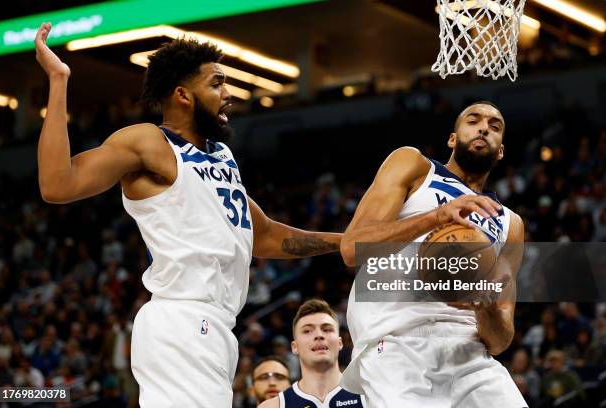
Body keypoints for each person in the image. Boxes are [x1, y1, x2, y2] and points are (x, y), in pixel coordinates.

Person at [34, 23, 342, 407]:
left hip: (214, 326)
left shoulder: (221, 156)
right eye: (216, 84)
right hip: (182, 320)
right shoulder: (151, 142)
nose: (228, 94)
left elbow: (262, 235)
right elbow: (57, 184)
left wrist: (347, 243)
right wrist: (59, 80)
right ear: (182, 94)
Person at [339, 101, 527, 407]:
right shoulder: (414, 166)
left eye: (495, 126)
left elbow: (501, 340)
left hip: (469, 352)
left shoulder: (511, 224)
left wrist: (487, 307)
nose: (483, 128)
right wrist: (436, 217)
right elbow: (352, 248)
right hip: (397, 341)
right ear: (452, 139)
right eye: (473, 120)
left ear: (501, 150)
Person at [259, 299, 364, 407]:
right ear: (295, 347)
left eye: (327, 329)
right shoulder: (272, 406)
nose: (319, 335)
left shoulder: (368, 395)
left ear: (340, 343)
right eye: (307, 331)